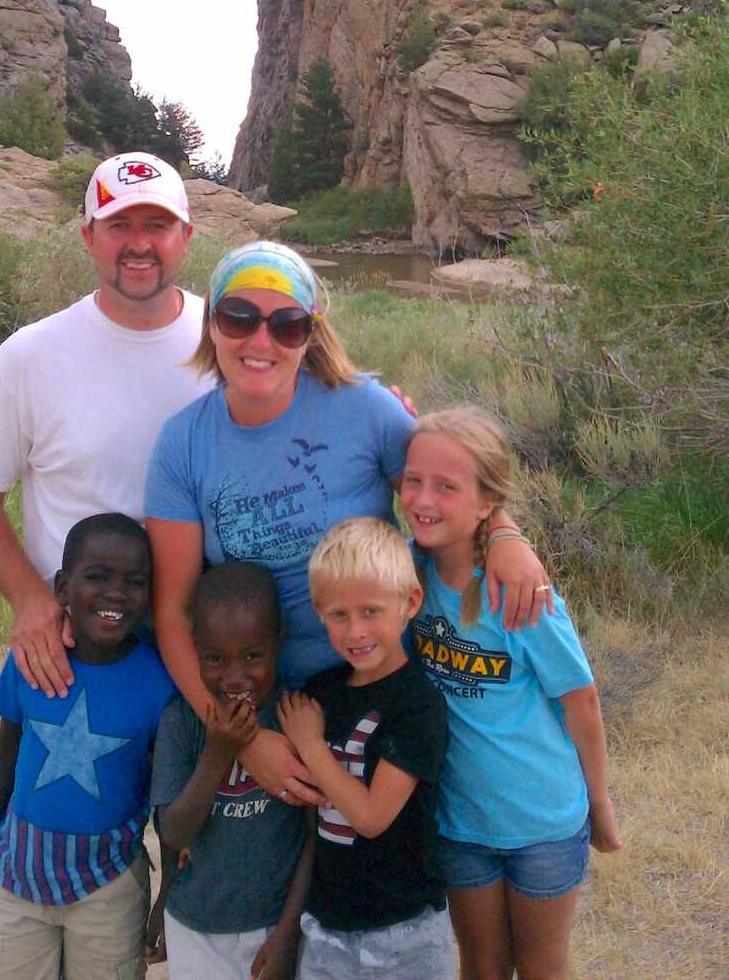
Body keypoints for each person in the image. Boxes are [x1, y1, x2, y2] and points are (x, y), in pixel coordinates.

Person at [0, 151, 207, 980]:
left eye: (156, 223)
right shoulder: (33, 354)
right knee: (10, 849)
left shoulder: (226, 337)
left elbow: (336, 394)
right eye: (119, 223)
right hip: (67, 653)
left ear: (185, 236)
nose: (138, 243)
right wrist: (27, 600)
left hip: (191, 656)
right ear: (88, 235)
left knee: (181, 848)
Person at [144, 240, 551, 804]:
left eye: (286, 324)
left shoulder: (363, 408)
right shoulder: (183, 444)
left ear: (308, 335)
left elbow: (453, 481)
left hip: (384, 686)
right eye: (239, 318)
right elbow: (173, 612)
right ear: (211, 325)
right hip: (265, 702)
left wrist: (504, 532)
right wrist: (243, 738)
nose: (261, 341)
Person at [398, 408, 623, 980]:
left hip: (543, 822)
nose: (423, 498)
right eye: (413, 480)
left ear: (486, 503)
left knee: (542, 970)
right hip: (461, 824)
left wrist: (599, 807)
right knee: (481, 968)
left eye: (447, 487)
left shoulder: (519, 595)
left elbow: (582, 702)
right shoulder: (404, 574)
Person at [0, 513, 175, 980]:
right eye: (97, 577)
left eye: (135, 581)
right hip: (19, 877)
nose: (116, 592)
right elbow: (3, 755)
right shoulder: (33, 661)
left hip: (109, 884)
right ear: (61, 587)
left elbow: (166, 794)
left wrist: (168, 894)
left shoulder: (158, 681)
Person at [278, 517, 453, 980]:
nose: (356, 632)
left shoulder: (417, 703)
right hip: (327, 927)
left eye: (370, 611)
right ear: (318, 612)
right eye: (339, 615)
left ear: (409, 602)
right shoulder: (319, 694)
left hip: (406, 930)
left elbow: (373, 818)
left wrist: (312, 746)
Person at [150, 562, 314, 980]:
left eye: (253, 656)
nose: (235, 676)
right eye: (215, 658)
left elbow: (316, 835)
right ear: (194, 649)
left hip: (275, 925)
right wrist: (219, 752)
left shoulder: (295, 718)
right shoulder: (183, 722)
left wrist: (289, 932)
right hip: (195, 927)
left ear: (280, 643)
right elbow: (174, 833)